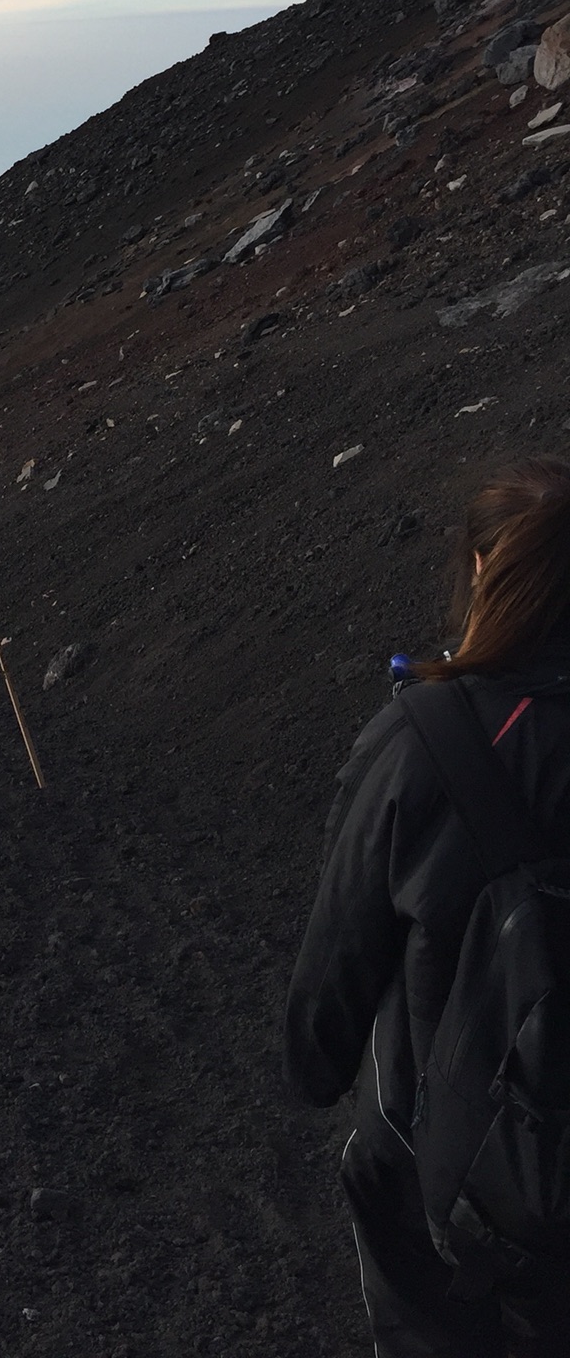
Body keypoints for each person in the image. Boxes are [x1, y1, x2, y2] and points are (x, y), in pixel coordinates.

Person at [285, 457, 570, 1356]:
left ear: (483, 570)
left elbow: (337, 973)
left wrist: (317, 1065)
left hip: (445, 1170)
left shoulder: (428, 738)